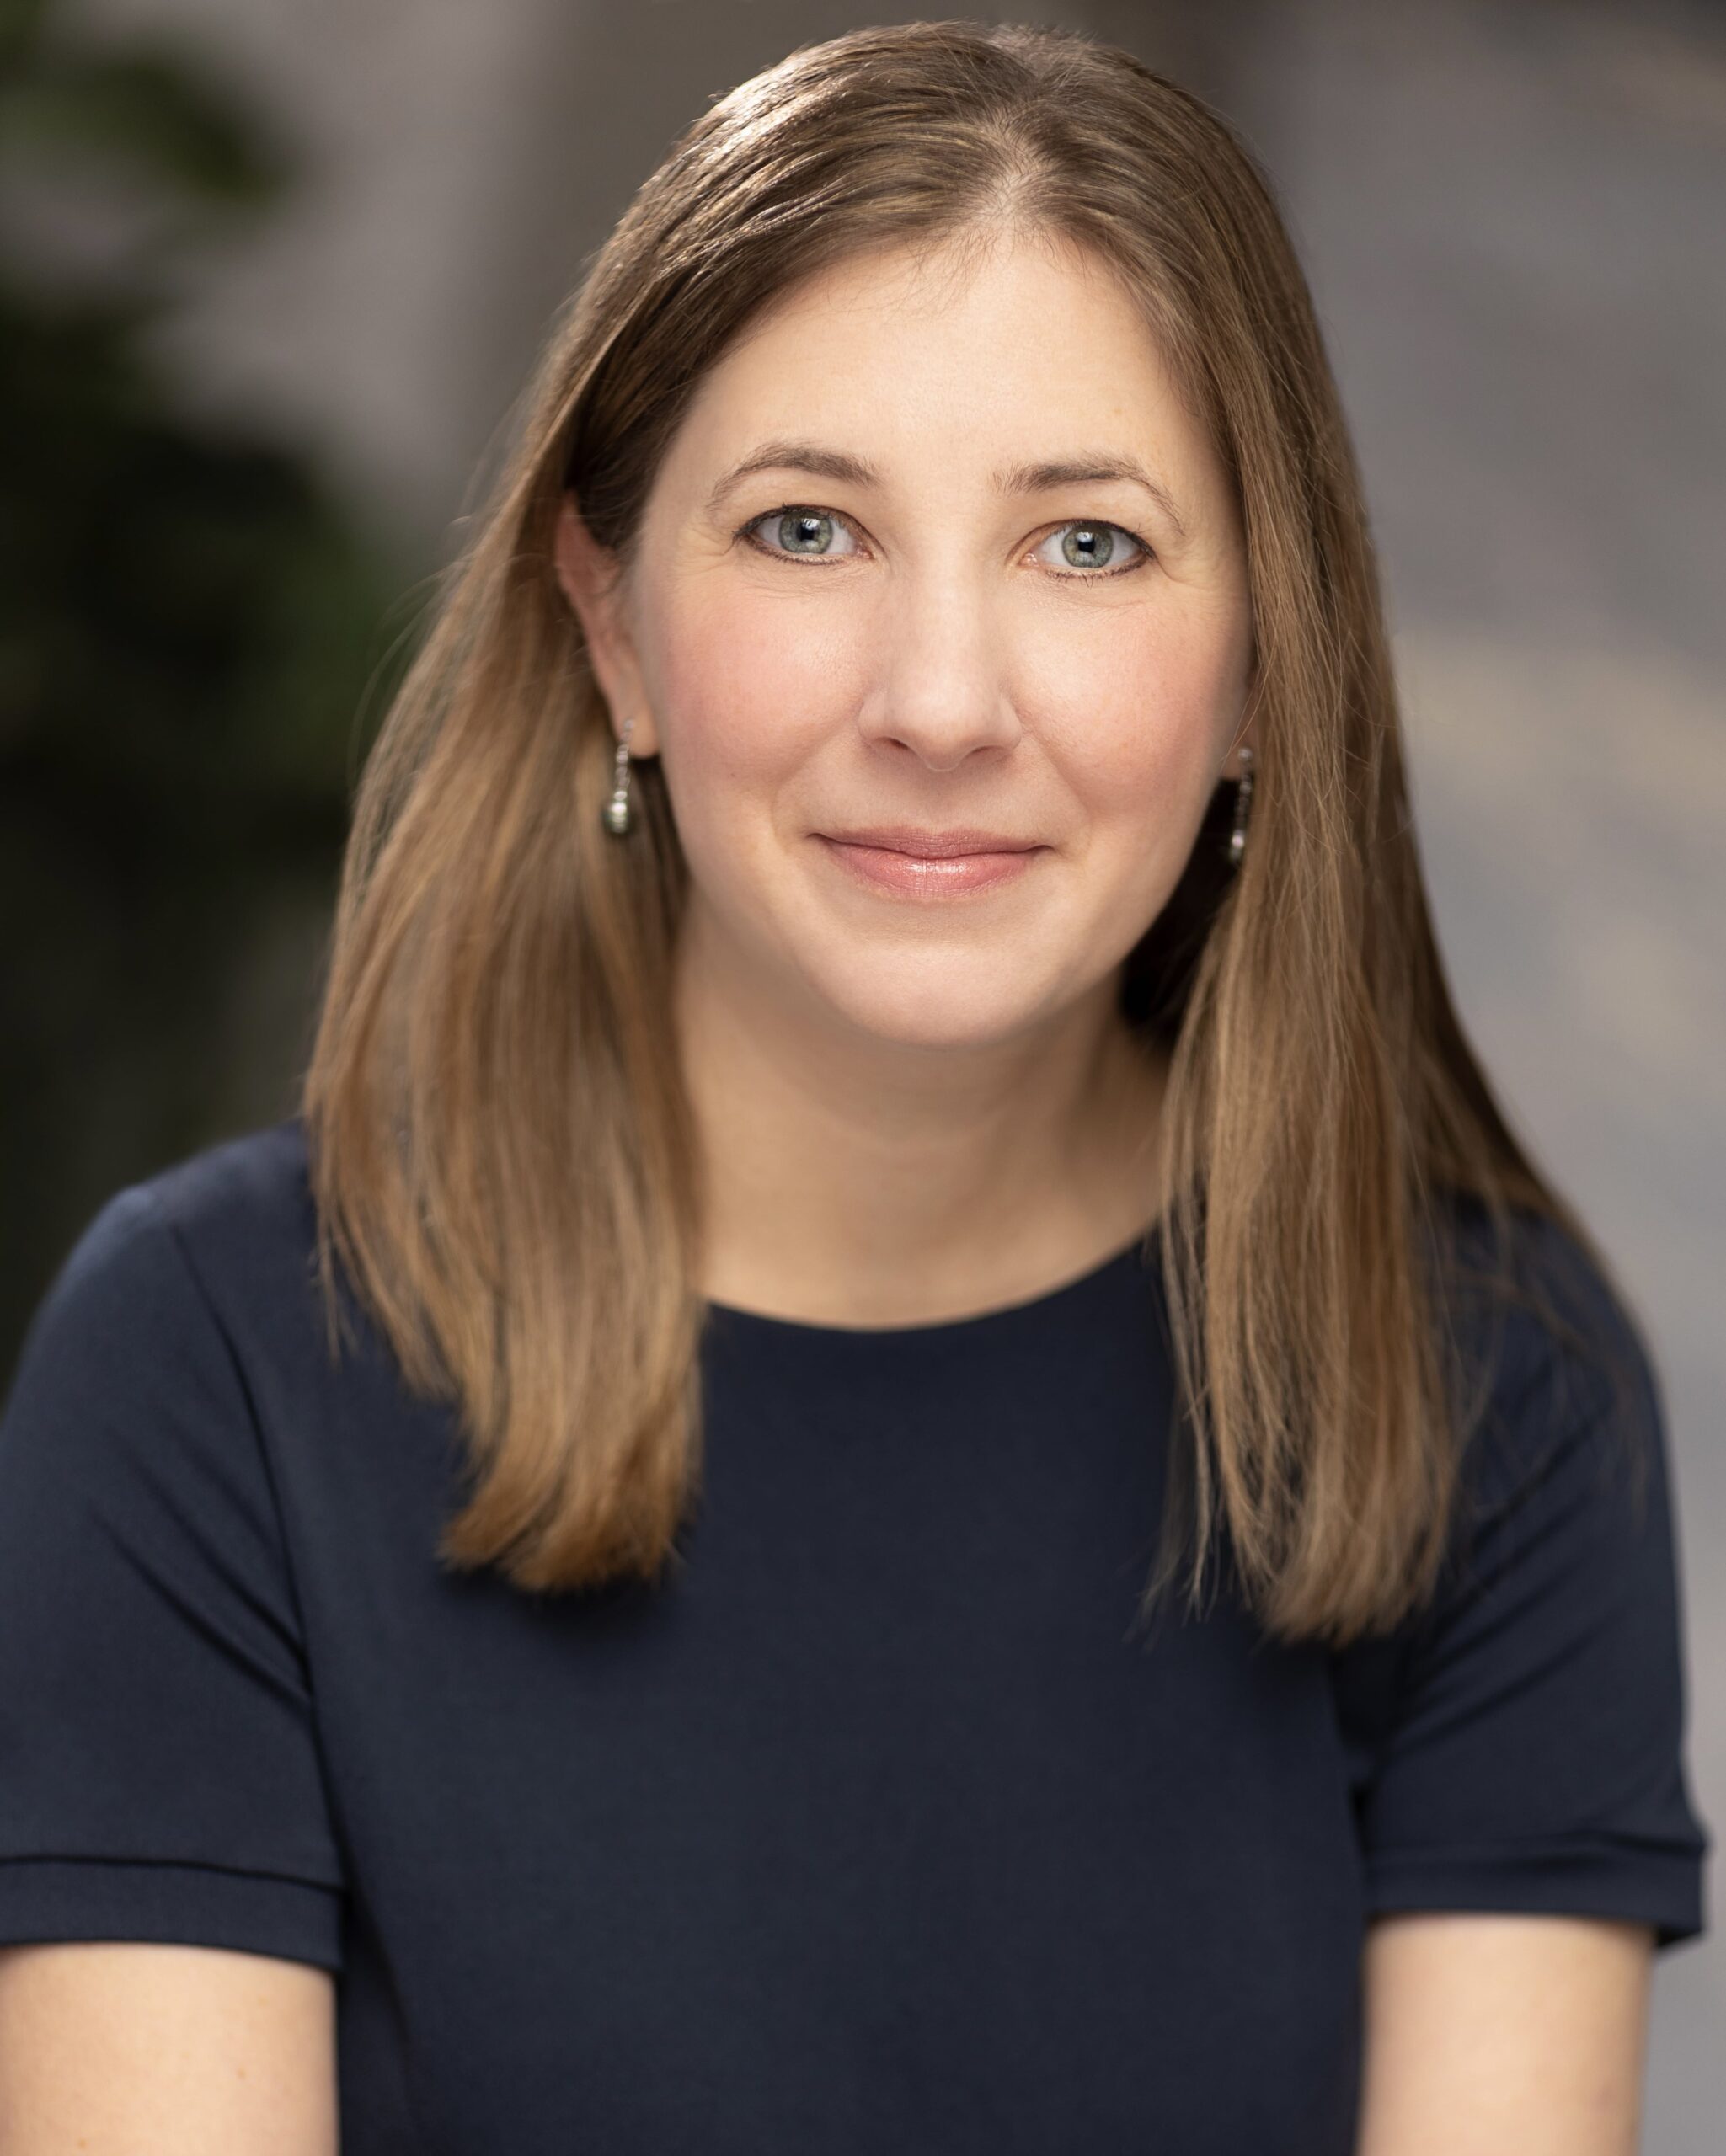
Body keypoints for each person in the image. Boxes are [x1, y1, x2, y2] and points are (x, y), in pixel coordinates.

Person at [0, 19, 1709, 2153]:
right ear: (612, 626)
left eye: (1084, 544)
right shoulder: (214, 1366)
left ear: (1267, 663)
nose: (936, 699)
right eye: (805, 527)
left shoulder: (1492, 1391)